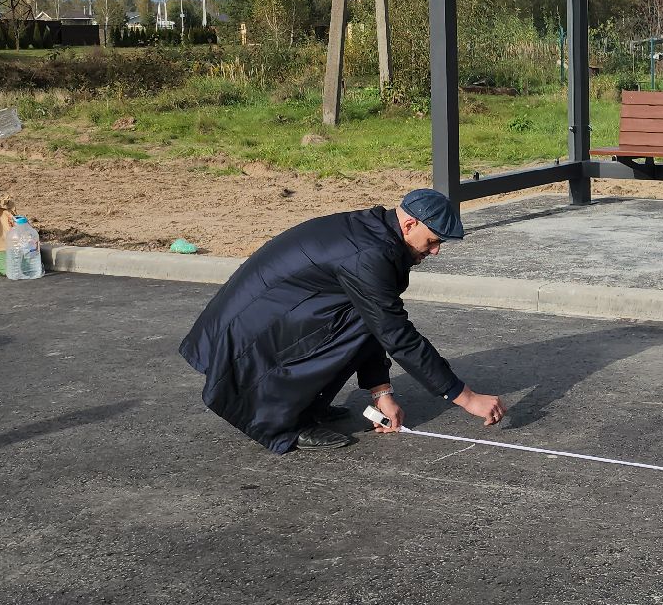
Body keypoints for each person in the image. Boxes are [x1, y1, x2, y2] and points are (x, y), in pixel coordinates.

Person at [180, 188, 507, 453]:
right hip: (253, 328)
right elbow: (397, 336)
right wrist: (465, 397)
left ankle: (307, 406)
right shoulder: (370, 254)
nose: (435, 251)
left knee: (359, 317)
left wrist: (381, 392)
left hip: (274, 313)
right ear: (409, 224)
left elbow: (374, 320)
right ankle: (282, 424)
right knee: (352, 325)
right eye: (433, 240)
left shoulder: (379, 234)